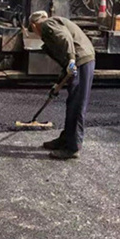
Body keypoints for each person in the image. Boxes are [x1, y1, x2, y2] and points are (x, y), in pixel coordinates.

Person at [29, 11, 96, 160]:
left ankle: (73, 148)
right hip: (79, 61)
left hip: (81, 61)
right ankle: (65, 140)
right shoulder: (51, 31)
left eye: (32, 30)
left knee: (77, 105)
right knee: (72, 103)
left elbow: (66, 39)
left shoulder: (48, 24)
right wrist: (57, 84)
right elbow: (64, 63)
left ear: (34, 25)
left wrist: (72, 59)